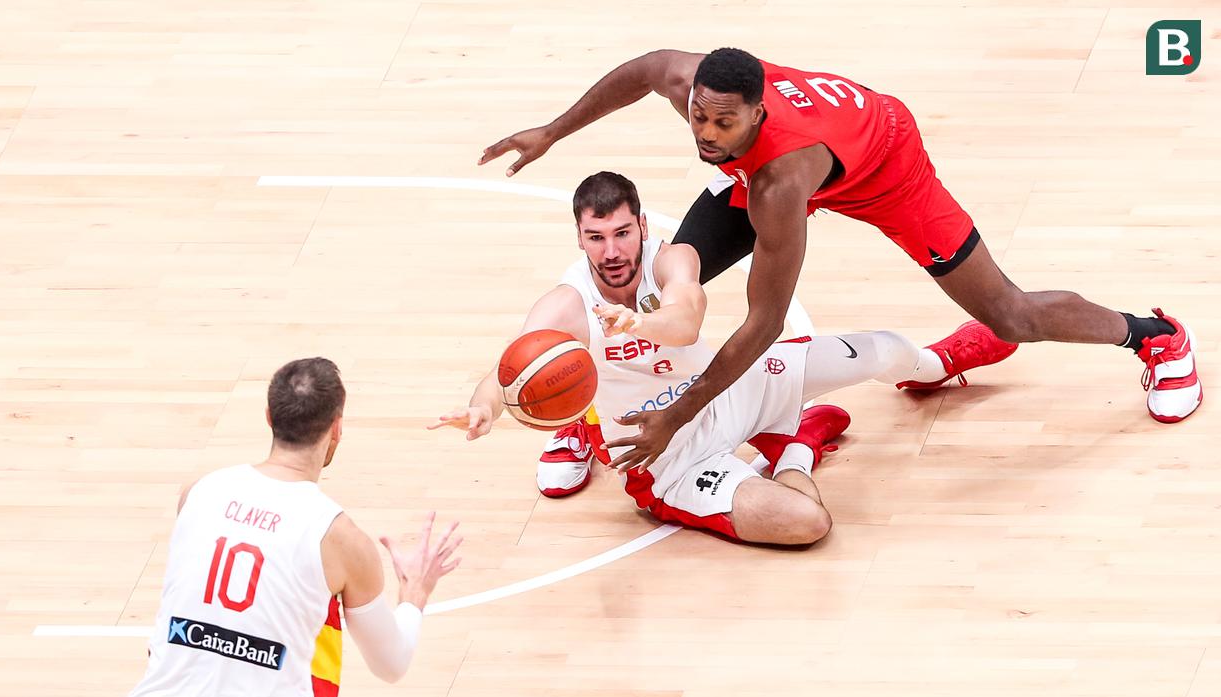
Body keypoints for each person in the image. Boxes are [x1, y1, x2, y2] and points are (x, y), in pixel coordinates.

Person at [480, 47, 1201, 479]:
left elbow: (763, 326)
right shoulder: (702, 96)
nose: (702, 133)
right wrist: (552, 130)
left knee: (1009, 312)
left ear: (757, 114)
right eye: (697, 115)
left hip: (886, 165)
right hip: (814, 142)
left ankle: (1155, 336)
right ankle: (613, 371)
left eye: (721, 122)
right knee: (681, 262)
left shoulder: (778, 185)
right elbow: (642, 69)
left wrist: (679, 414)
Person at [431, 172, 1015, 544]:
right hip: (665, 453)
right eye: (596, 238)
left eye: (622, 233)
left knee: (885, 347)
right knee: (807, 524)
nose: (612, 252)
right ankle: (796, 445)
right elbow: (511, 364)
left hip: (729, 387)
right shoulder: (568, 303)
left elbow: (685, 320)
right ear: (579, 239)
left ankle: (936, 367)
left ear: (641, 226)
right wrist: (487, 406)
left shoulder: (672, 260)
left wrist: (640, 321)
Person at [128, 357, 462, 697]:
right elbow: (391, 664)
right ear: (337, 427)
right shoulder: (341, 539)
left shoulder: (198, 492)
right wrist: (414, 594)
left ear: (270, 416)